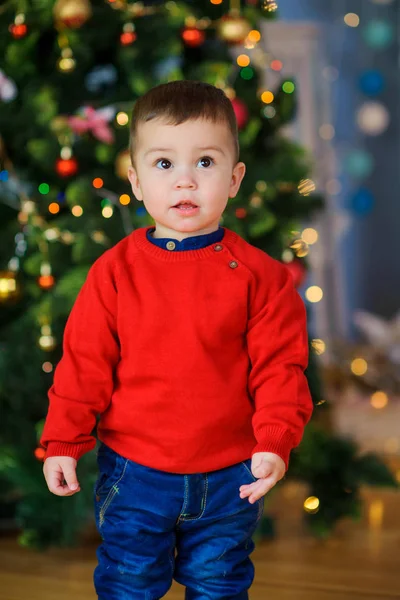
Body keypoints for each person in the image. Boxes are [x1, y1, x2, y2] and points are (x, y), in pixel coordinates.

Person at [42, 80, 313, 599]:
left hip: (231, 473)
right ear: (136, 180)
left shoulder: (263, 278)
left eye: (205, 163)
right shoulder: (114, 273)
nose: (185, 181)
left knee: (219, 584)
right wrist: (63, 441)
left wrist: (275, 441)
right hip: (134, 471)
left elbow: (280, 368)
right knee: (129, 583)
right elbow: (83, 364)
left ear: (234, 179)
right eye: (165, 164)